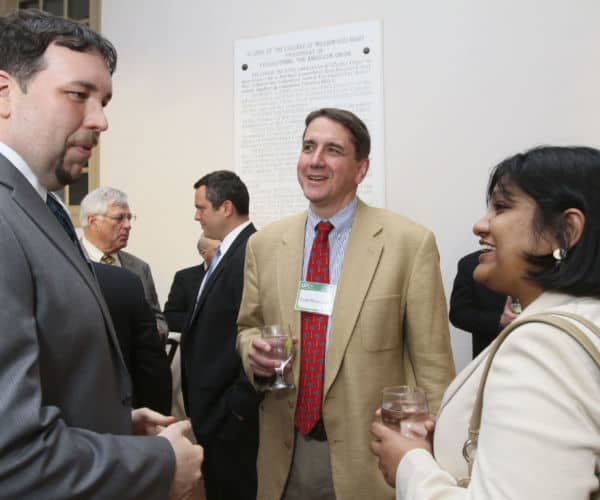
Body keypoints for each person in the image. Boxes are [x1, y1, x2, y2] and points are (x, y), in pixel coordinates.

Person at [0, 9, 202, 498]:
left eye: (104, 100)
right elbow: (13, 457)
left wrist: (113, 422)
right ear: (5, 93)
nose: (101, 120)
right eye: (78, 96)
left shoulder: (39, 207)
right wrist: (155, 464)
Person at [237, 108, 455, 500]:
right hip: (284, 453)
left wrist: (436, 459)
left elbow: (433, 365)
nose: (315, 160)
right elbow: (247, 327)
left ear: (361, 169)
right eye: (308, 147)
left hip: (370, 460)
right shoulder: (265, 245)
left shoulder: (409, 244)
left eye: (333, 149)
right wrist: (251, 350)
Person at [371, 146, 600, 499]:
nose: (481, 225)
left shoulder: (543, 348)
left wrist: (410, 465)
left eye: (502, 207)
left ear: (564, 232)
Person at [182, 171, 260, 500]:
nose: (197, 215)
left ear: (226, 207)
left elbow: (257, 328)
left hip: (230, 417)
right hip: (214, 412)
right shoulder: (227, 251)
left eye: (201, 207)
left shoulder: (250, 252)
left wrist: (237, 407)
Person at [80, 186, 169, 337]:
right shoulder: (69, 263)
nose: (128, 226)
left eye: (129, 218)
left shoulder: (140, 268)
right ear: (93, 221)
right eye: (119, 218)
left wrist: (158, 329)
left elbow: (157, 317)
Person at [94, 262, 172, 414]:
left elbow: (156, 313)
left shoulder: (138, 268)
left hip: (129, 405)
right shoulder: (77, 270)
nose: (127, 235)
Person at [449, 250, 517, 357]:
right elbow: (458, 314)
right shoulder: (470, 263)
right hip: (489, 358)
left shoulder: (541, 260)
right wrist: (499, 321)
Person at [165, 234, 220, 333]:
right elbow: (171, 316)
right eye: (218, 250)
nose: (223, 253)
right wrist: (202, 325)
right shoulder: (184, 277)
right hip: (195, 342)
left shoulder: (236, 274)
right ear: (203, 253)